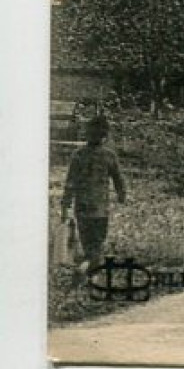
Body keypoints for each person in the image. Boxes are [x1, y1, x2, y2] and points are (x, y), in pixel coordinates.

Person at [61, 114, 127, 272]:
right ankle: (91, 269)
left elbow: (70, 183)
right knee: (96, 242)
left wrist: (66, 204)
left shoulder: (79, 155)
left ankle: (89, 267)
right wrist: (121, 194)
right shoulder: (108, 155)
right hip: (99, 207)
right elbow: (118, 178)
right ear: (105, 136)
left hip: (85, 207)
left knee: (88, 241)